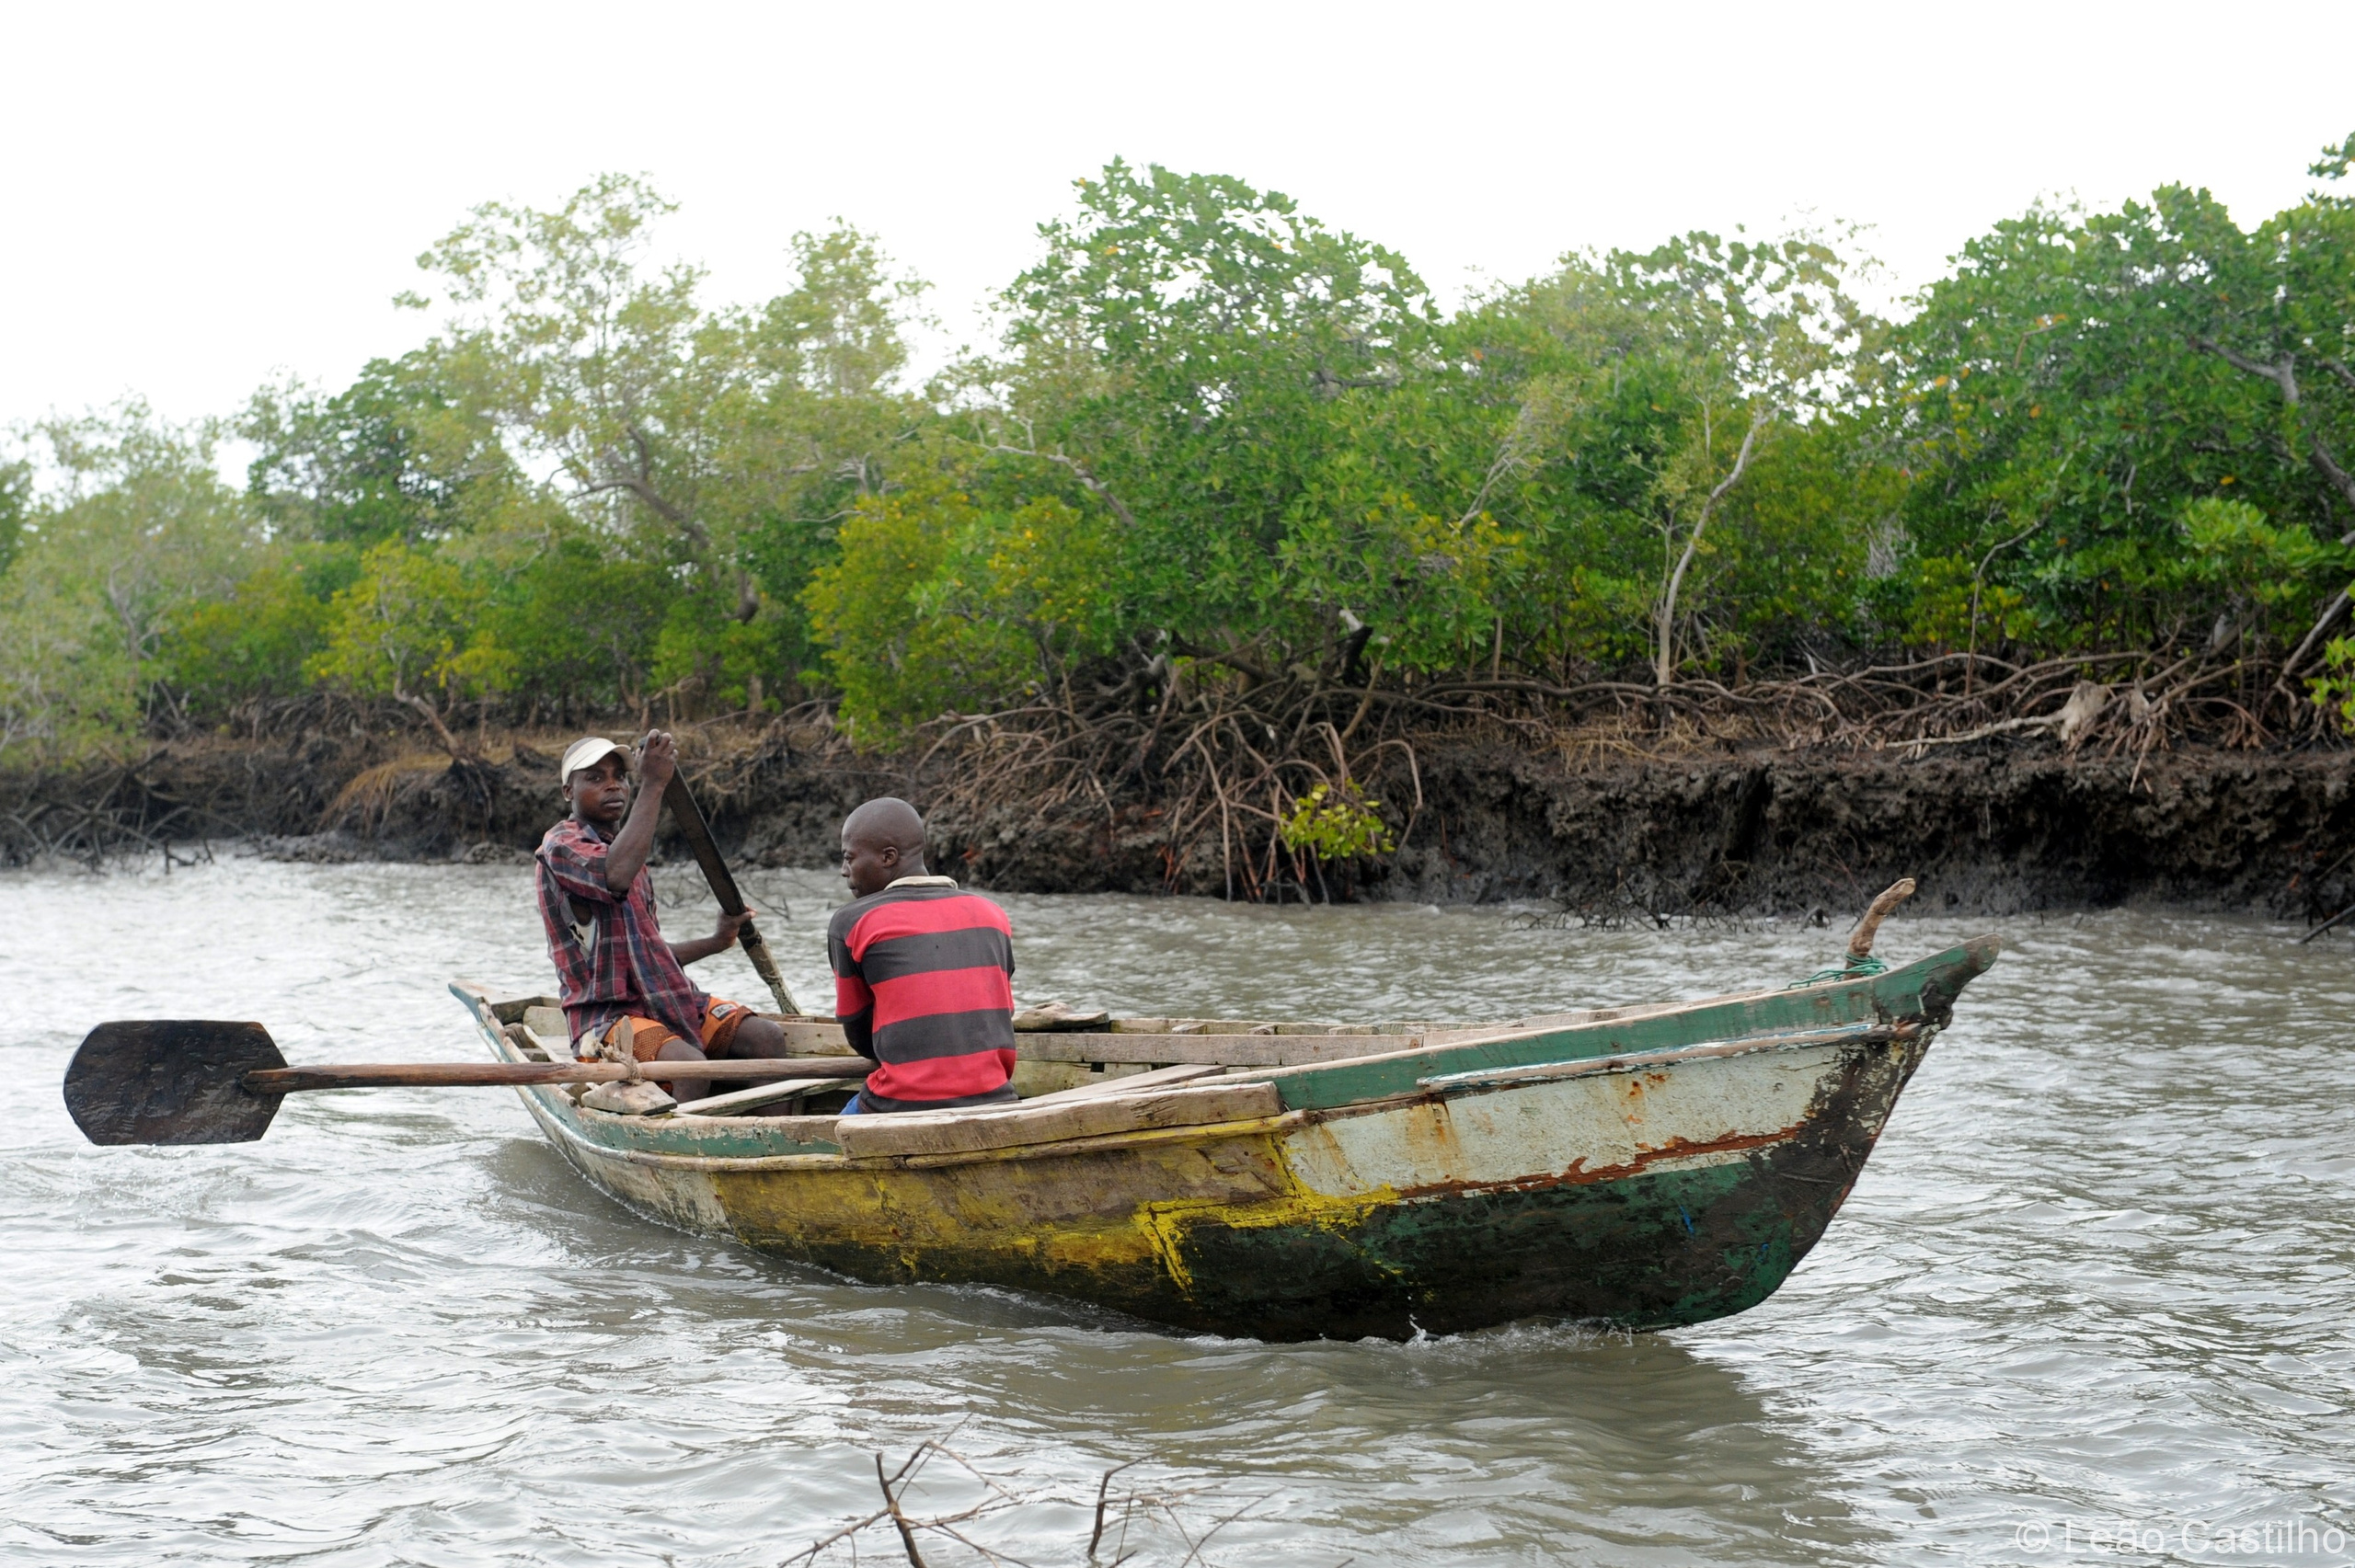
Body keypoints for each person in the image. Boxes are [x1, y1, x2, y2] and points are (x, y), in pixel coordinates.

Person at [534, 731, 791, 1103]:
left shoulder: (630, 855)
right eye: (595, 778)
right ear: (568, 792)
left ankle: (771, 1144)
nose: (613, 786)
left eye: (620, 777)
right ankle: (686, 1154)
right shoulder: (561, 846)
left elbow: (647, 957)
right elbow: (614, 875)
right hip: (604, 1019)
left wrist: (716, 942)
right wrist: (654, 784)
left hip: (666, 1000)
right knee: (689, 1068)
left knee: (766, 1038)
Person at [827, 797, 1017, 1115]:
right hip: (996, 1097)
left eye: (849, 858)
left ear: (888, 857)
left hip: (900, 1103)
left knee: (837, 1129)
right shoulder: (992, 915)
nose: (844, 871)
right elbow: (997, 1014)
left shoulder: (853, 922)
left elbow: (859, 1036)